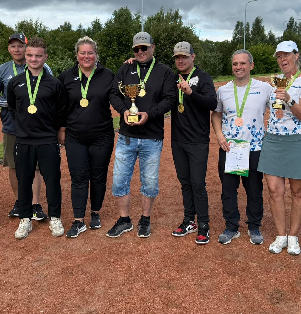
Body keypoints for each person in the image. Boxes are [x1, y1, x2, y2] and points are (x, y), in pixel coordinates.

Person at [107, 31, 177, 238]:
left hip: (152, 137)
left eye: (144, 48)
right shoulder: (126, 68)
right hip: (126, 136)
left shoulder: (164, 71)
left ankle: (145, 219)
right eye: (136, 49)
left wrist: (150, 114)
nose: (140, 52)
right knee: (119, 181)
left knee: (150, 183)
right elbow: (113, 93)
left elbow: (170, 99)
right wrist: (124, 110)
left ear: (152, 47)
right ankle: (124, 220)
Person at [258, 40, 301, 255]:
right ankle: (281, 235)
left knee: (298, 192)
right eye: (279, 56)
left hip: (299, 141)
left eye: (286, 55)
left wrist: (290, 100)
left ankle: (293, 236)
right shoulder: (277, 81)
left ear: (296, 55)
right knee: (275, 190)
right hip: (274, 140)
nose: (283, 59)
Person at [7, 37, 67, 239]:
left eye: (38, 56)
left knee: (52, 180)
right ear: (26, 56)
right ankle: (25, 218)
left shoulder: (54, 83)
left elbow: (61, 111)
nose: (34, 59)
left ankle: (55, 217)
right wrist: (23, 125)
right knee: (24, 180)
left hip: (47, 139)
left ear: (45, 57)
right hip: (24, 140)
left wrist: (56, 130)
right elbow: (13, 108)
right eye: (30, 55)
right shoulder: (15, 82)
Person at [212, 50, 272, 245]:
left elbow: (279, 109)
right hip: (229, 148)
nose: (238, 67)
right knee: (228, 189)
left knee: (254, 188)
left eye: (243, 63)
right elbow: (216, 115)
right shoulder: (223, 90)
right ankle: (231, 226)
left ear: (251, 66)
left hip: (254, 148)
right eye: (235, 64)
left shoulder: (265, 88)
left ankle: (254, 225)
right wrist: (220, 136)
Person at [57, 36, 115, 238]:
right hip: (75, 136)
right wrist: (61, 129)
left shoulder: (107, 75)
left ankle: (95, 212)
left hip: (102, 135)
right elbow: (61, 107)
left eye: (90, 52)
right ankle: (78, 220)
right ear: (77, 55)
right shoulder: (66, 76)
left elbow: (119, 96)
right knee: (79, 177)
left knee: (98, 176)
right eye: (82, 52)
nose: (86, 56)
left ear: (96, 54)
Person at [0, 32, 52, 222]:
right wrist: (12, 104)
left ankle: (35, 204)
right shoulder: (1, 70)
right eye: (13, 46)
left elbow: (51, 91)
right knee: (13, 165)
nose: (17, 49)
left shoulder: (43, 67)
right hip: (12, 126)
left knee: (35, 167)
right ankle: (20, 202)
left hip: (37, 127)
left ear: (26, 48)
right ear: (9, 48)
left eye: (20, 46)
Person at [169, 42, 217, 244]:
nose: (180, 60)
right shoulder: (172, 78)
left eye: (184, 57)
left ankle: (204, 224)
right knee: (185, 182)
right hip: (178, 139)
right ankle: (189, 220)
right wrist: (133, 62)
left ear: (193, 57)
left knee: (197, 183)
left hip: (197, 140)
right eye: (177, 58)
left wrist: (190, 93)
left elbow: (212, 103)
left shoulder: (203, 77)